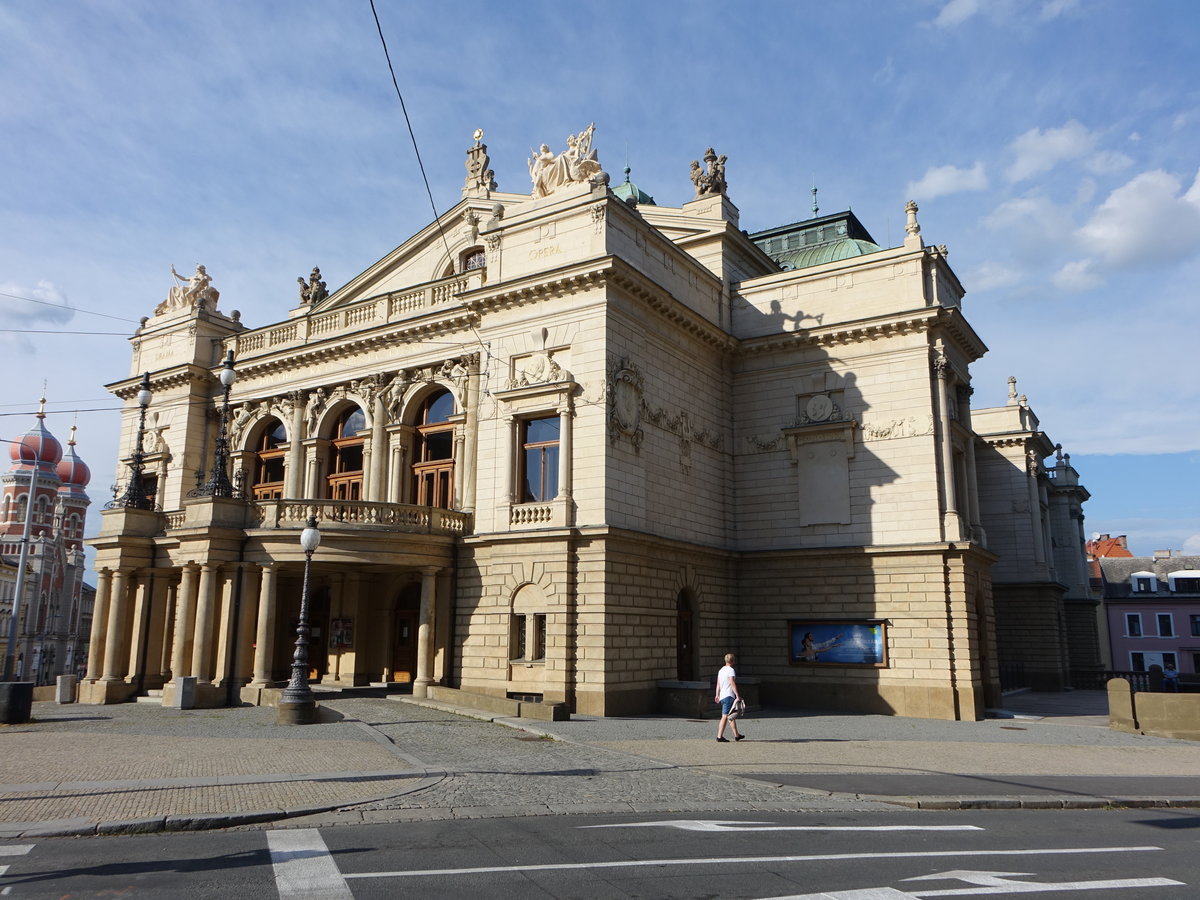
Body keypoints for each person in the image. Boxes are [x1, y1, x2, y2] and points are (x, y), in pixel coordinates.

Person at [714, 652, 745, 742]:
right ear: (733, 661)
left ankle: (737, 735)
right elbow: (732, 683)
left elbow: (718, 684)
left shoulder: (721, 670)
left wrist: (717, 694)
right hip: (728, 695)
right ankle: (719, 736)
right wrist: (737, 695)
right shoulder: (731, 670)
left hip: (722, 696)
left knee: (730, 715)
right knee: (725, 716)